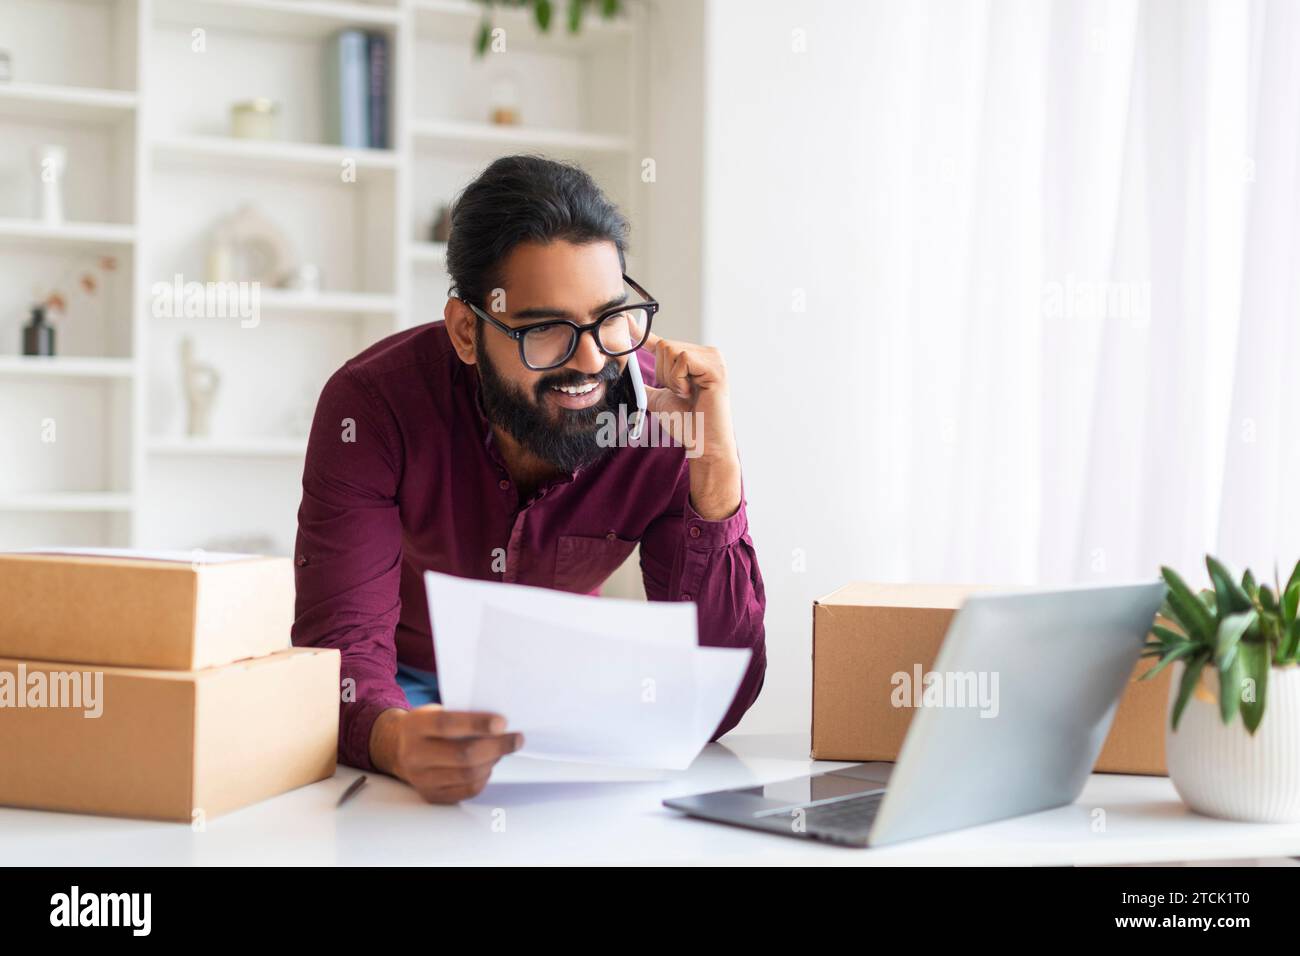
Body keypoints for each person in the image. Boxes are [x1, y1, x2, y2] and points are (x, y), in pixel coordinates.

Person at [292, 155, 766, 804]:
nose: (592, 361)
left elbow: (721, 698)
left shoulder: (664, 414)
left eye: (608, 319)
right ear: (466, 330)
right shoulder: (371, 406)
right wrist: (396, 737)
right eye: (546, 329)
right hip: (399, 687)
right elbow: (340, 651)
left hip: (563, 696)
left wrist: (716, 467)